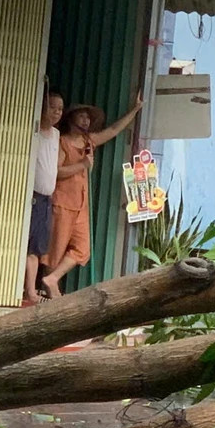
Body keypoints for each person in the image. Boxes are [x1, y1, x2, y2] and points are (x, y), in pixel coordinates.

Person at [44, 94, 142, 295]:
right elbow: (56, 172)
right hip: (62, 203)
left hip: (81, 206)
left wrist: (135, 109)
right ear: (71, 119)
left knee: (82, 248)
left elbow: (113, 130)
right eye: (81, 116)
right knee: (55, 250)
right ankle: (52, 292)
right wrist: (82, 165)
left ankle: (52, 278)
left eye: (88, 117)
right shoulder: (62, 142)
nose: (86, 120)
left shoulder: (89, 141)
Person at [25, 89, 66, 303]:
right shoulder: (33, 133)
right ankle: (30, 292)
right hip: (31, 195)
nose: (57, 113)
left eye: (60, 109)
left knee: (37, 247)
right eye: (52, 108)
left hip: (46, 198)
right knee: (29, 245)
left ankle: (31, 290)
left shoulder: (56, 135)